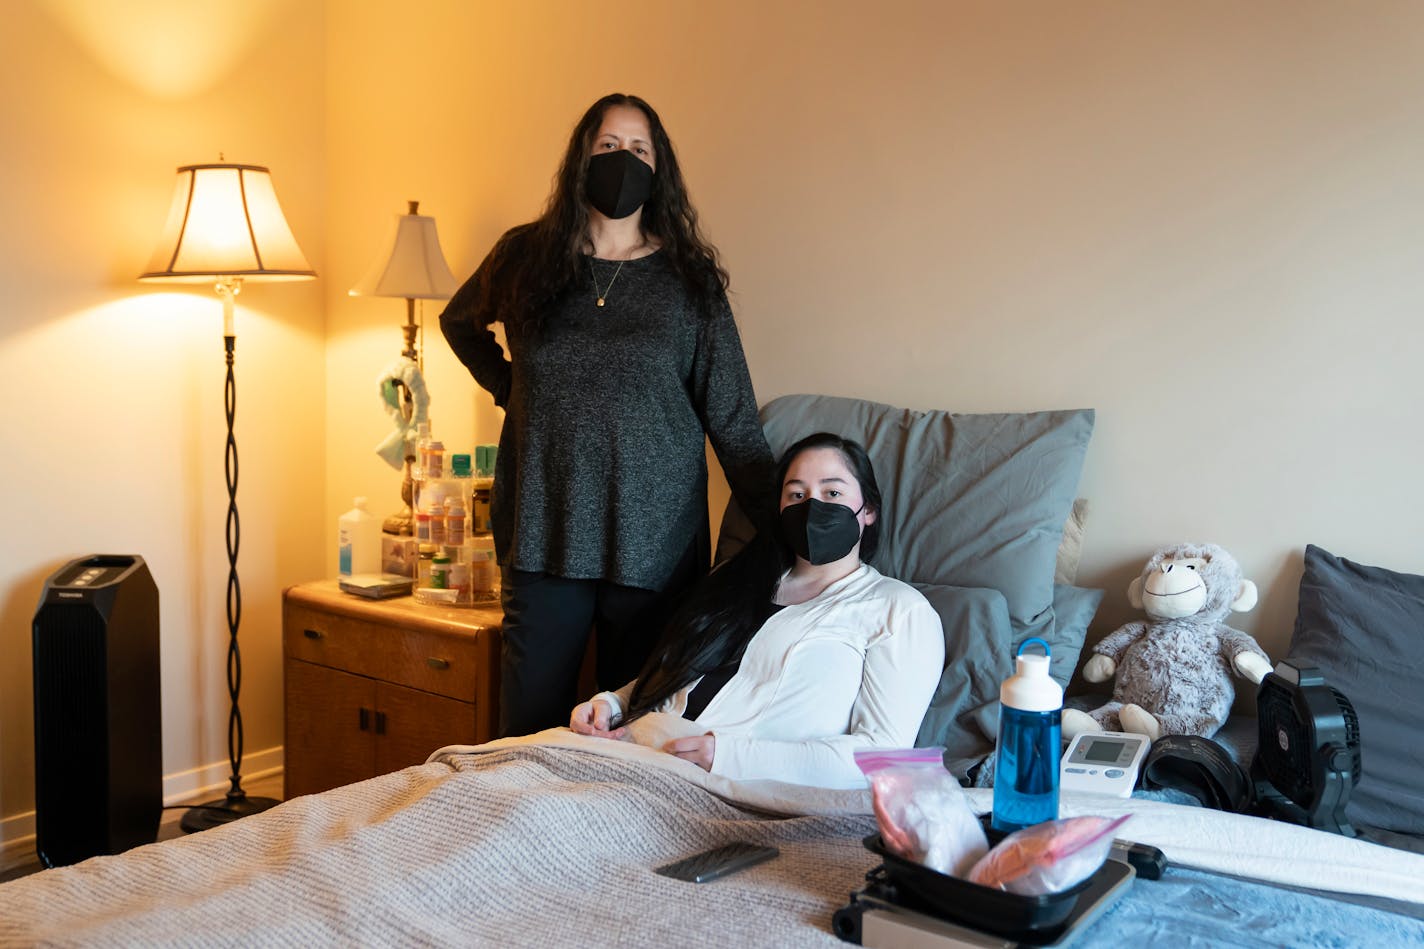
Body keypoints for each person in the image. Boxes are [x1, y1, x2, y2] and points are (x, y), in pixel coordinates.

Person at [440, 93, 774, 738]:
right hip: (544, 528)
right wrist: (513, 389)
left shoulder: (689, 280)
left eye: (639, 149)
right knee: (528, 732)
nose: (624, 160)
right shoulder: (524, 256)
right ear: (580, 161)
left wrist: (787, 530)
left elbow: (731, 418)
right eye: (608, 147)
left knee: (636, 733)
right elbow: (460, 324)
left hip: (654, 541)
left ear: (660, 168)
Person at [569, 433, 946, 790]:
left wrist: (732, 757)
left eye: (832, 492)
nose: (812, 507)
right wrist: (610, 704)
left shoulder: (899, 611)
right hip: (627, 751)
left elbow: (883, 759)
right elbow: (670, 678)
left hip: (722, 789)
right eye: (796, 494)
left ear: (869, 512)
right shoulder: (733, 581)